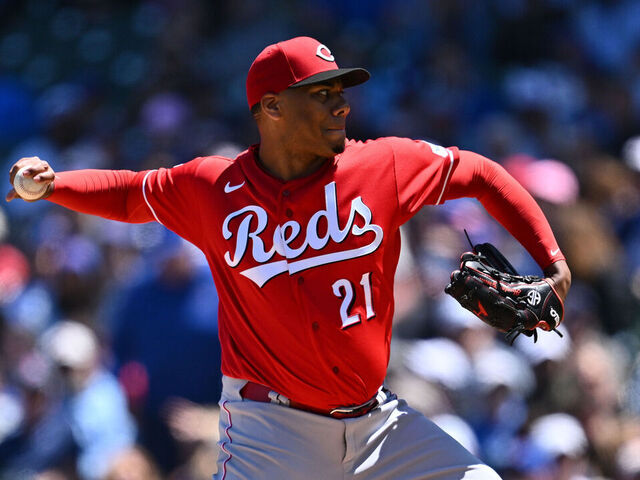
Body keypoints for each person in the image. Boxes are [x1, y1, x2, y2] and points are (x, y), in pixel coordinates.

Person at [6, 36, 571, 479]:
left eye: (341, 91)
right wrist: (56, 185)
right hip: (271, 433)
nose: (341, 106)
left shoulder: (382, 166)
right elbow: (132, 193)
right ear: (271, 107)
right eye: (321, 94)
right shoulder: (214, 187)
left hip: (378, 423)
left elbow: (481, 173)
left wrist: (552, 262)